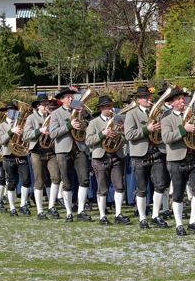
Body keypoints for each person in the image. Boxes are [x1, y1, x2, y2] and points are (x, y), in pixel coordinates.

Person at [161, 87, 195, 236]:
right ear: (171, 103)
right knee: (178, 193)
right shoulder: (166, 119)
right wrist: (184, 129)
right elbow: (166, 138)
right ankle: (179, 224)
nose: (183, 101)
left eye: (183, 98)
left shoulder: (192, 116)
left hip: (194, 157)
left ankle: (193, 221)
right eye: (179, 99)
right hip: (176, 159)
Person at [124, 86, 171, 229]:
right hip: (139, 154)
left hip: (157, 151)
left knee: (160, 184)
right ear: (138, 100)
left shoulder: (159, 113)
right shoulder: (131, 114)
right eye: (145, 97)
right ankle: (143, 217)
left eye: (149, 97)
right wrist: (146, 129)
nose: (149, 99)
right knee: (142, 187)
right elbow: (129, 135)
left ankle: (156, 215)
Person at [85, 95, 131, 226]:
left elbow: (126, 139)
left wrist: (122, 131)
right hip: (100, 157)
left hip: (116, 156)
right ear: (101, 108)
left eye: (111, 106)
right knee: (102, 188)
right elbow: (88, 141)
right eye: (107, 107)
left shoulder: (117, 121)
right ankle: (102, 215)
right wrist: (102, 134)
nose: (110, 109)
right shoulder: (94, 123)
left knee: (120, 186)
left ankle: (118, 214)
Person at [50, 87, 92, 222]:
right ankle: (69, 212)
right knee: (67, 183)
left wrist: (83, 121)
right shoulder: (56, 114)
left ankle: (80, 211)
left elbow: (86, 128)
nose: (71, 98)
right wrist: (69, 126)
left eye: (71, 96)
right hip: (63, 149)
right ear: (62, 100)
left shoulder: (79, 111)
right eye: (68, 97)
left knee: (84, 179)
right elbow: (53, 133)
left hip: (79, 147)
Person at [23, 94, 61, 220]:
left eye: (47, 104)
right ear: (38, 106)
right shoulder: (31, 118)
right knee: (39, 181)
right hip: (37, 152)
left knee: (56, 178)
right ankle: (40, 210)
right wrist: (39, 131)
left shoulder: (52, 117)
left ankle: (51, 206)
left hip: (51, 151)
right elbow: (26, 135)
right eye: (44, 105)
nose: (46, 107)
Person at [0, 102, 32, 216]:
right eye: (9, 110)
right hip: (8, 156)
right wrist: (11, 131)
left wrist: (22, 134)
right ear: (5, 113)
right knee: (11, 183)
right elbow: (1, 141)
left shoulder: (22, 123)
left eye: (14, 110)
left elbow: (27, 138)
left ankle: (23, 205)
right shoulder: (0, 126)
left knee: (26, 180)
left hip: (21, 155)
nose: (12, 112)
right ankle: (12, 208)